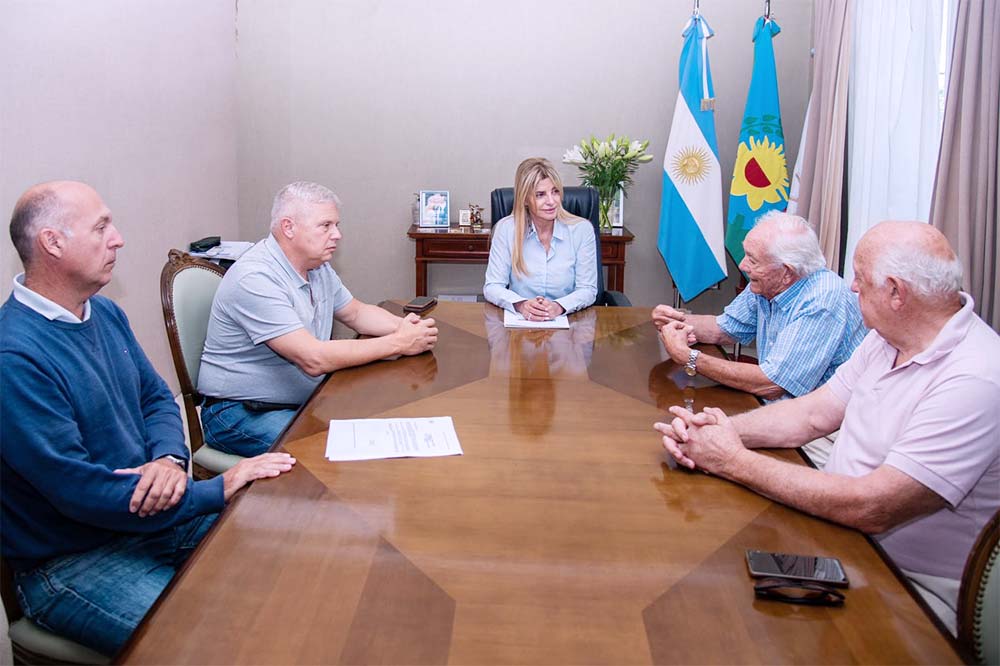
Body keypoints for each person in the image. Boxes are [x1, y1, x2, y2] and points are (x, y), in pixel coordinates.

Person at [654, 221, 1000, 634]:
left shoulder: (976, 377)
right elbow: (811, 414)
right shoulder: (886, 338)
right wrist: (714, 429)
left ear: (895, 292)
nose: (851, 287)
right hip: (838, 538)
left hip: (912, 589)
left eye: (860, 276)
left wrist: (731, 459)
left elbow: (874, 506)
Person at [0, 181, 297, 656]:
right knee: (220, 644)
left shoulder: (104, 313)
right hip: (73, 560)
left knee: (295, 562)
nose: (117, 238)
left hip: (153, 520)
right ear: (53, 243)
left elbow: (157, 399)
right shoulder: (14, 356)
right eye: (101, 227)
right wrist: (215, 488)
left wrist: (166, 460)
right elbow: (77, 491)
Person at [198, 181, 438, 457]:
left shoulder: (317, 266)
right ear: (288, 228)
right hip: (239, 412)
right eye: (325, 226)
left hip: (301, 399)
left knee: (379, 420)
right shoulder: (255, 277)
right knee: (347, 450)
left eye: (336, 225)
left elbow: (357, 313)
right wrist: (399, 343)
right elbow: (314, 359)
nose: (337, 235)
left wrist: (407, 327)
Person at [652, 211, 864, 402]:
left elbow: (772, 384)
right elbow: (723, 329)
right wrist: (673, 320)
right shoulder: (769, 283)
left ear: (787, 272)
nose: (743, 266)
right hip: (780, 409)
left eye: (752, 260)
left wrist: (688, 357)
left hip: (821, 431)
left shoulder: (822, 301)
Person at [483, 157, 598, 321]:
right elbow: (492, 286)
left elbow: (587, 289)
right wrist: (521, 305)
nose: (551, 201)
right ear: (525, 199)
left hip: (570, 325)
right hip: (520, 325)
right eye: (540, 195)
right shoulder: (506, 229)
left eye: (555, 191)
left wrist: (557, 307)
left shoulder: (581, 230)